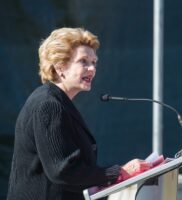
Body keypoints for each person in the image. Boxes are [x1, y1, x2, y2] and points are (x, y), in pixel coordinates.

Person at [7, 27, 152, 200]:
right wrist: (118, 173)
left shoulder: (56, 101)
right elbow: (63, 171)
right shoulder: (48, 105)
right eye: (83, 61)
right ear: (60, 66)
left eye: (94, 62)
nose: (92, 69)